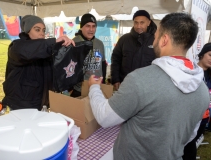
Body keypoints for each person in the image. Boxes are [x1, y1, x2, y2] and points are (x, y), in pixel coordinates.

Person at [88, 12, 210, 160]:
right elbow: (190, 134)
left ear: (164, 40)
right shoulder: (203, 90)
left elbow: (104, 117)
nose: (154, 38)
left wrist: (93, 87)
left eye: (156, 35)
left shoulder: (140, 80)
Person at [2, 15, 75, 111]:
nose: (41, 33)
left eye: (43, 30)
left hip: (41, 103)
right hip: (21, 105)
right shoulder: (16, 47)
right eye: (37, 30)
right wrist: (53, 42)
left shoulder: (44, 50)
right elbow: (28, 51)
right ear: (27, 31)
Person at [111, 10, 157, 91]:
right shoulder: (124, 39)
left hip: (148, 87)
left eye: (142, 22)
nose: (138, 26)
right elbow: (116, 59)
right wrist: (115, 79)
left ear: (148, 23)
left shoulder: (156, 40)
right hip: (125, 85)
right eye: (136, 22)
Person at [182, 43, 211, 160]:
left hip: (204, 117)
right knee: (187, 146)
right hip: (189, 116)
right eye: (210, 55)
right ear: (203, 53)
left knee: (192, 143)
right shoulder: (191, 70)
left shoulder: (209, 74)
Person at [70, 13, 106, 97]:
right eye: (88, 26)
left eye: (93, 26)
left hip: (97, 87)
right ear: (81, 27)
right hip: (79, 89)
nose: (91, 29)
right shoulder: (74, 43)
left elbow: (103, 64)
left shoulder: (100, 44)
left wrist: (103, 82)